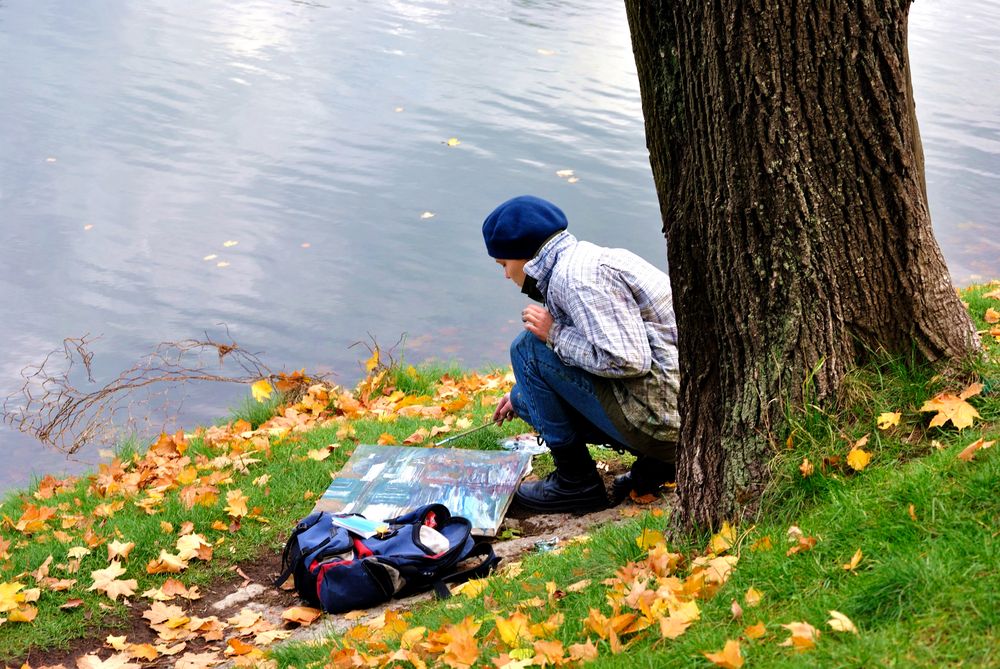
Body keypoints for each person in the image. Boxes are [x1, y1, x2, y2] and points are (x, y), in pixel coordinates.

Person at [482, 195, 680, 513]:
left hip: (664, 422)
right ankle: (657, 466)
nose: (506, 275)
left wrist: (554, 334)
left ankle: (575, 484)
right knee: (522, 398)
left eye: (504, 264)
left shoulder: (577, 280)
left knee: (527, 349)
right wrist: (526, 392)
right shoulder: (581, 260)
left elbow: (628, 360)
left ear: (524, 256)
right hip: (678, 413)